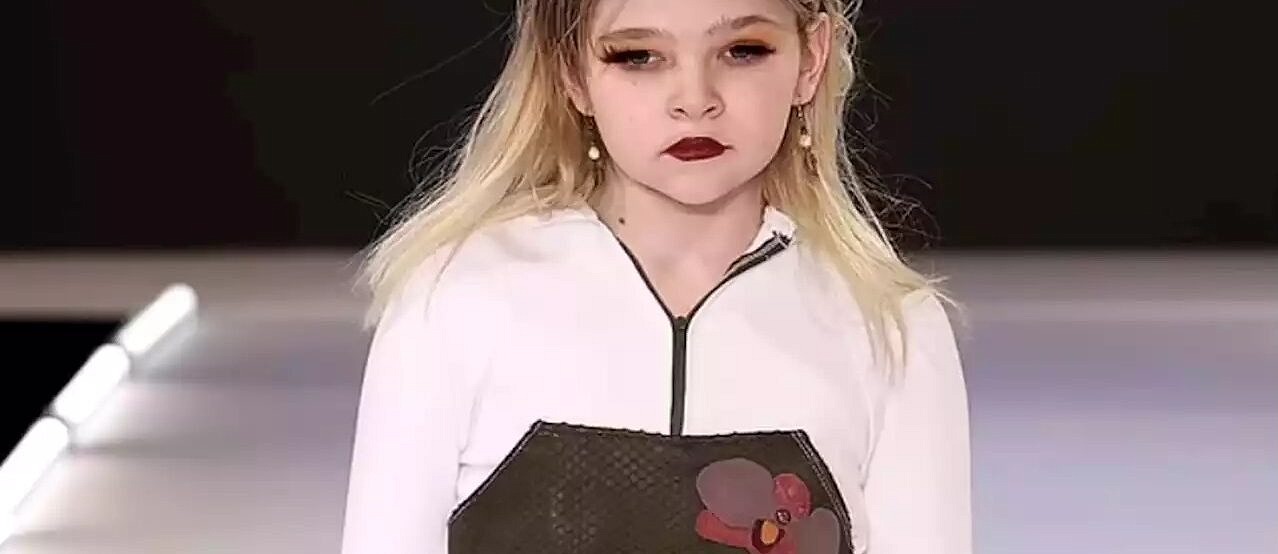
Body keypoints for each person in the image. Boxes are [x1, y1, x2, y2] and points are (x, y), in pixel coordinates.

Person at [340, 0, 972, 552]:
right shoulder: (456, 298)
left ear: (811, 59)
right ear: (572, 73)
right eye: (638, 56)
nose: (695, 99)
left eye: (743, 50)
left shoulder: (891, 329)